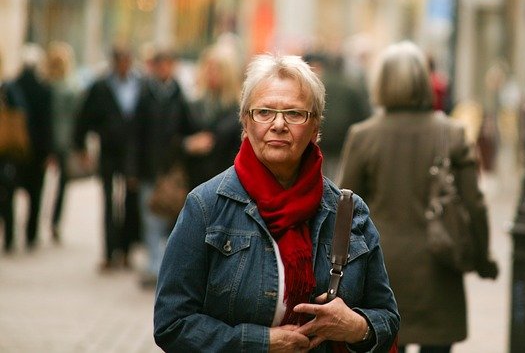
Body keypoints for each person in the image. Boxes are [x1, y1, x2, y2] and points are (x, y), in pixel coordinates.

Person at [154, 53, 399, 352]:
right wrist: (263, 342)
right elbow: (171, 323)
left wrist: (356, 327)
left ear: (315, 127)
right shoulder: (206, 206)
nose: (279, 124)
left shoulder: (348, 213)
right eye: (264, 112)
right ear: (245, 122)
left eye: (295, 113)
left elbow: (387, 317)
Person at [338, 41, 498, 353]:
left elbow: (345, 208)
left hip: (380, 269)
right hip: (439, 268)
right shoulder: (451, 133)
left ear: (382, 83)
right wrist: (481, 258)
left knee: (383, 342)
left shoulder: (364, 136)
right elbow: (474, 204)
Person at [74, 45, 142, 271]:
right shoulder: (101, 86)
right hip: (109, 152)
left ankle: (126, 250)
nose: (124, 64)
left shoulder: (140, 85)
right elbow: (84, 117)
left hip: (132, 153)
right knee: (108, 201)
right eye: (120, 60)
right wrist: (81, 146)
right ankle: (109, 251)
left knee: (130, 200)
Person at [133, 46, 196, 287]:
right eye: (161, 64)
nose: (165, 69)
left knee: (170, 217)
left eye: (169, 64)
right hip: (149, 167)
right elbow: (135, 135)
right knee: (150, 217)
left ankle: (163, 266)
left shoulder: (178, 93)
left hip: (171, 169)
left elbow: (189, 126)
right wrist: (133, 170)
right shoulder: (146, 93)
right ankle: (152, 265)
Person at [182, 43, 242, 189]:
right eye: (208, 68)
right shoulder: (192, 104)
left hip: (226, 180)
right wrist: (188, 144)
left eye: (217, 69)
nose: (211, 73)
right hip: (194, 180)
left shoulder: (238, 107)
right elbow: (173, 138)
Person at [304, 51, 371, 180]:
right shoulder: (351, 86)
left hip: (322, 134)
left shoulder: (320, 84)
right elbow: (362, 114)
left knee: (321, 166)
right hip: (342, 138)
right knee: (337, 171)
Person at [13, 43, 53, 251]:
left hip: (15, 149)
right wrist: (48, 151)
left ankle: (11, 234)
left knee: (11, 191)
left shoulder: (13, 85)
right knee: (35, 193)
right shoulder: (43, 89)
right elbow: (47, 123)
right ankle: (31, 233)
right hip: (37, 149)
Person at [46, 41, 81, 243]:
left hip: (50, 140)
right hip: (65, 141)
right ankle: (54, 221)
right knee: (61, 185)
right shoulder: (71, 87)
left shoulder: (47, 85)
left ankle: (46, 219)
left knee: (44, 183)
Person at [0, 50, 28, 253]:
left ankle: (9, 236)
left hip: (5, 150)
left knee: (7, 194)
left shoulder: (8, 88)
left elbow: (20, 114)